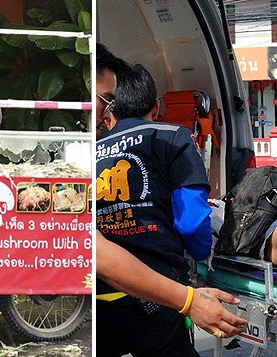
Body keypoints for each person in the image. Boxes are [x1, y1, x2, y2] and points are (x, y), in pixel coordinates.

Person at [94, 43, 245, 356]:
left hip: (100, 301)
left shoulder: (89, 150)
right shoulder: (171, 136)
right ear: (155, 108)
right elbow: (191, 221)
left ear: (113, 112)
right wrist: (204, 255)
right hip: (159, 297)